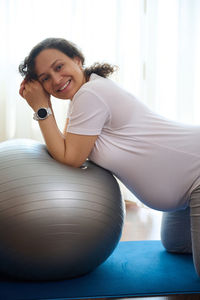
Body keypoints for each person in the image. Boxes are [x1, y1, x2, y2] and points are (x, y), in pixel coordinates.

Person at [19, 37, 200, 277]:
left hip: (196, 173)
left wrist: (42, 108)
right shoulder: (84, 97)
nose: (56, 79)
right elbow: (67, 149)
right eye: (45, 78)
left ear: (77, 60)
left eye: (59, 66)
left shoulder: (91, 93)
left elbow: (70, 158)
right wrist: (44, 103)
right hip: (182, 194)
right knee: (176, 245)